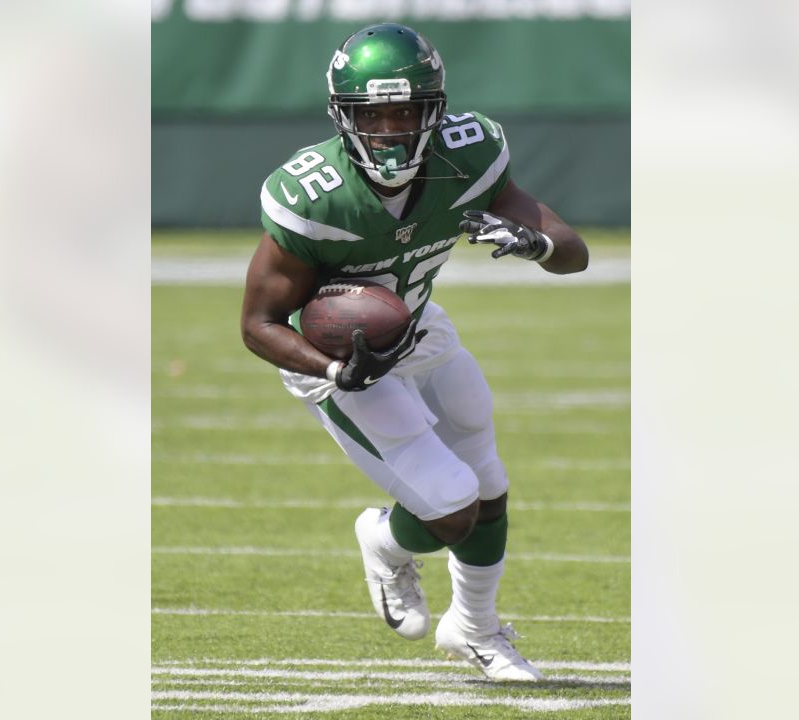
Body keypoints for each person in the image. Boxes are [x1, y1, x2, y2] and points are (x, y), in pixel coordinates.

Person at [240, 22, 588, 682]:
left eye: (407, 111)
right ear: (342, 116)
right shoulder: (314, 194)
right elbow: (258, 324)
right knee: (454, 501)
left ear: (437, 110)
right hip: (331, 359)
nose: (391, 130)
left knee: (485, 472)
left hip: (418, 325)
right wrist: (336, 368)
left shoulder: (470, 151)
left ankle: (475, 629)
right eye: (373, 114)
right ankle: (383, 540)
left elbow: (573, 251)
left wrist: (536, 244)